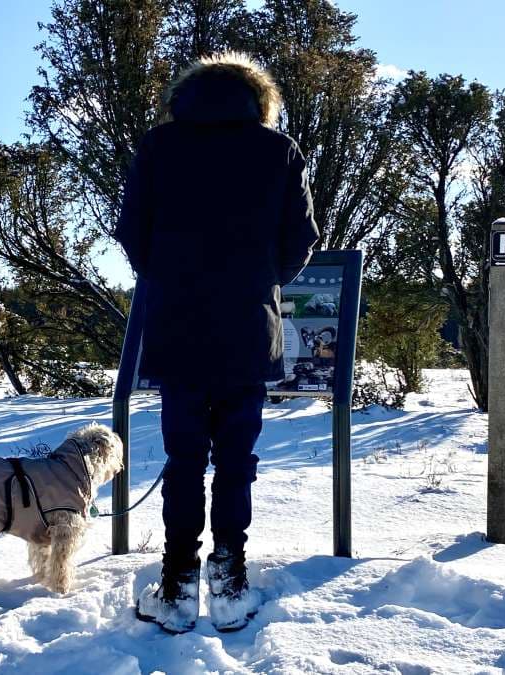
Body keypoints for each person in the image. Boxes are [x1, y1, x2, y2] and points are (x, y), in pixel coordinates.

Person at [113, 50, 319, 634]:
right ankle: (230, 583)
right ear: (260, 100)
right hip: (249, 329)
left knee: (182, 460)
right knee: (236, 461)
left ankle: (177, 586)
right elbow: (301, 239)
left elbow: (133, 233)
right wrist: (259, 281)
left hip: (176, 326)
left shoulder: (158, 147)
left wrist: (170, 278)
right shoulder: (277, 151)